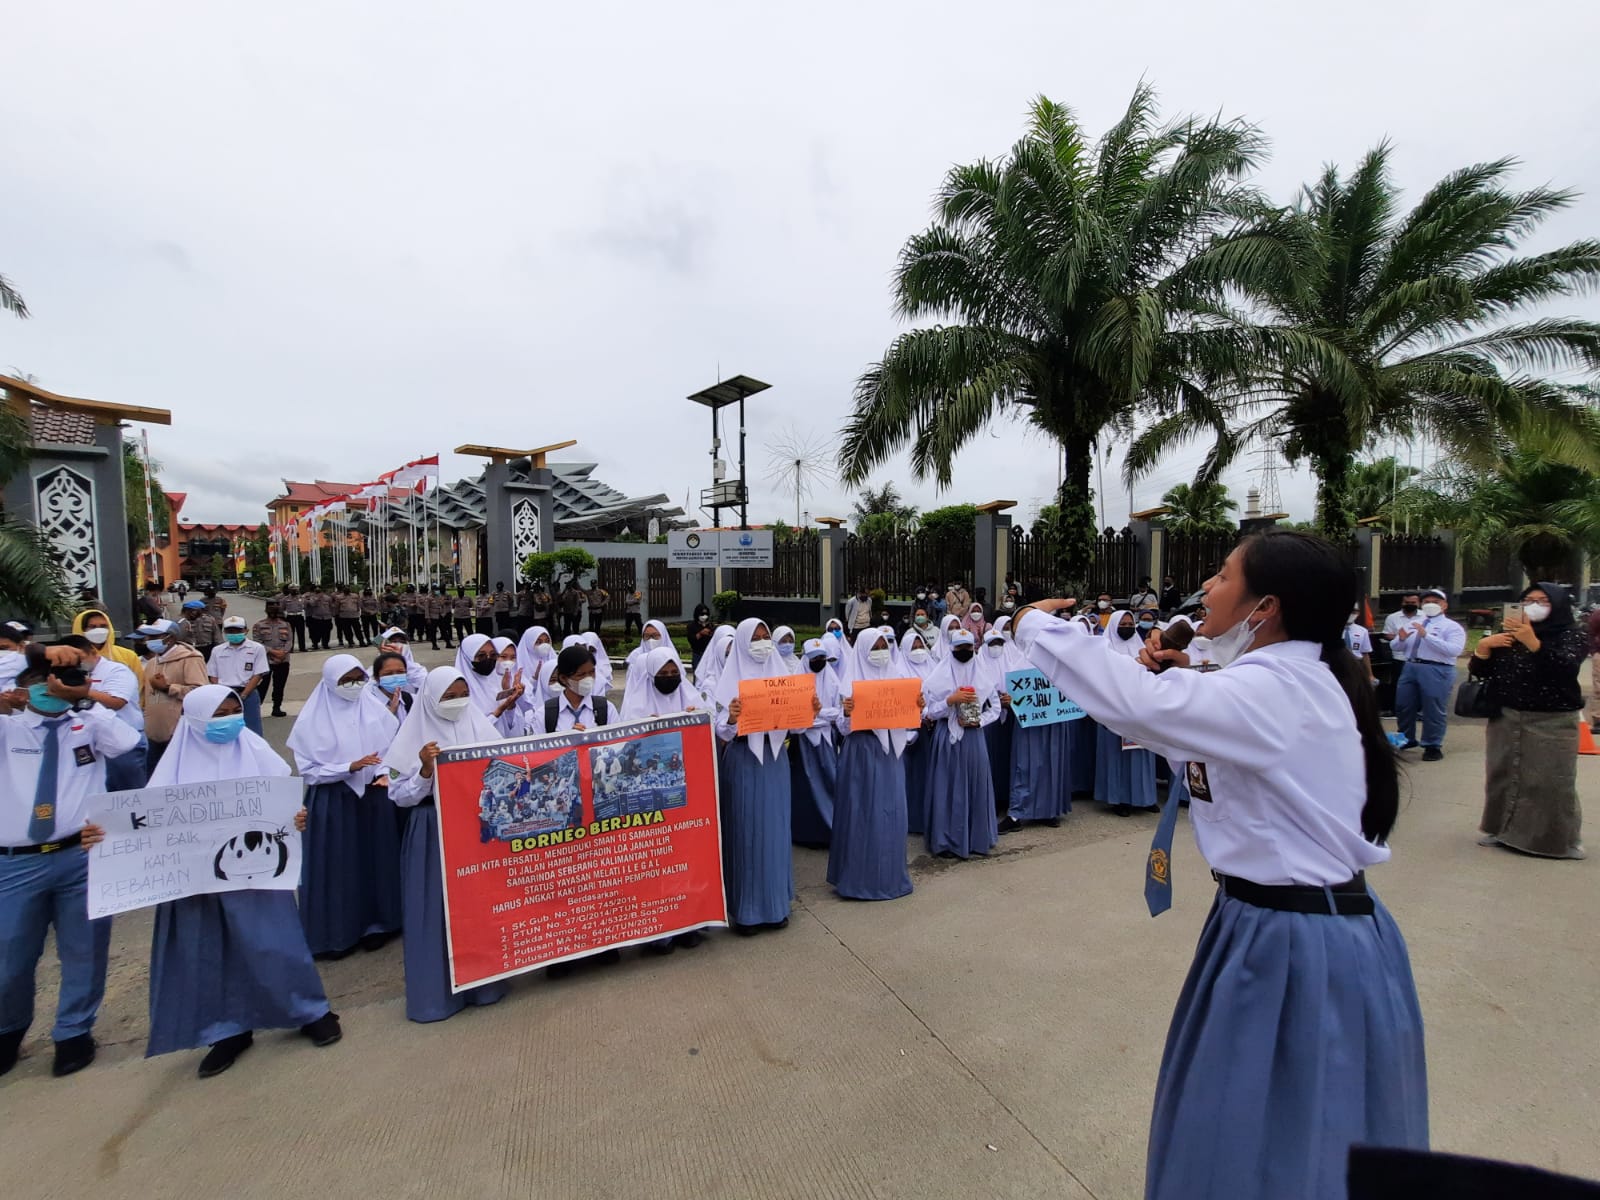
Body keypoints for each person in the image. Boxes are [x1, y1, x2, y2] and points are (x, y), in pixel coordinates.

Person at [1010, 530, 1426, 1200]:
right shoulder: (1274, 683)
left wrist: (1036, 628)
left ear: (1265, 608)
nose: (1207, 587)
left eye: (1225, 575)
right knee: (1242, 1136)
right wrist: (1177, 677)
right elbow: (1182, 736)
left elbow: (1137, 708)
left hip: (1299, 944)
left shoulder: (1277, 691)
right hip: (1270, 925)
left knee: (1279, 1146)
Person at [113, 686, 341, 1076]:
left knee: (276, 942)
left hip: (258, 873)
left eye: (235, 709)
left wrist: (294, 818)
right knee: (210, 950)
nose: (231, 718)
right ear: (197, 719)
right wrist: (103, 836)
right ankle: (228, 1030)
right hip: (199, 882)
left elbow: (280, 803)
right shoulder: (174, 768)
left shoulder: (252, 749)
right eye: (220, 713)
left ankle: (308, 1010)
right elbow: (145, 824)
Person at [0, 646, 140, 1078]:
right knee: (10, 956)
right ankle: (8, 1030)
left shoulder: (87, 727)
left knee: (84, 950)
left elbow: (127, 743)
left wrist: (84, 700)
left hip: (80, 855)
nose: (52, 691)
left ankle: (73, 1032)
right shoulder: (7, 729)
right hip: (16, 863)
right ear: (25, 686)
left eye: (62, 682)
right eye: (44, 682)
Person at [384, 667, 511, 1022]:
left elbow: (508, 765)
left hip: (475, 826)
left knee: (479, 904)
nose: (457, 704)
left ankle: (486, 985)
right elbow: (399, 796)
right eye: (448, 697)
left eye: (461, 695)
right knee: (434, 909)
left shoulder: (478, 726)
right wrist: (425, 771)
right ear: (430, 700)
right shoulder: (411, 739)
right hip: (432, 829)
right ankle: (435, 996)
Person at [289, 655, 405, 957]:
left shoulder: (376, 713)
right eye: (346, 680)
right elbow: (309, 769)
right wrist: (347, 767)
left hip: (374, 797)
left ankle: (380, 924)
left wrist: (384, 775)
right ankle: (336, 933)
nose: (353, 686)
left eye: (358, 679)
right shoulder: (312, 721)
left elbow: (393, 752)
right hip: (334, 800)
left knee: (377, 861)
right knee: (339, 864)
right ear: (330, 682)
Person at [715, 619, 820, 933]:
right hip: (744, 760)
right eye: (755, 639)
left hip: (775, 760)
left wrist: (810, 712)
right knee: (746, 831)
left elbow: (797, 727)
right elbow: (721, 730)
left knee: (774, 831)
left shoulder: (783, 678)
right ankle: (746, 911)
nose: (762, 643)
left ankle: (775, 906)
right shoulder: (729, 681)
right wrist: (732, 718)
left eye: (765, 638)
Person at [1471, 583, 1588, 859]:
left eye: (1542, 600)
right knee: (1504, 775)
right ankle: (1501, 830)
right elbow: (1483, 671)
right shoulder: (1508, 633)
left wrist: (1532, 641)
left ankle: (1562, 840)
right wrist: (1484, 647)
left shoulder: (1571, 635)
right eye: (1528, 600)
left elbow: (1565, 668)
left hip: (1553, 719)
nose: (1534, 605)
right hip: (1507, 716)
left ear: (1558, 605)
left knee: (1551, 781)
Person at [830, 631, 917, 900]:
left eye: (883, 646)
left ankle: (891, 877)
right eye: (874, 647)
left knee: (892, 812)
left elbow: (909, 723)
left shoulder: (898, 680)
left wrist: (917, 707)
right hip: (861, 753)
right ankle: (858, 880)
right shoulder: (849, 684)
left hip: (890, 753)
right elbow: (842, 728)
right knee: (862, 813)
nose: (880, 652)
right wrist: (847, 712)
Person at [919, 628, 999, 859]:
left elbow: (993, 707)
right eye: (959, 648)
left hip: (974, 739)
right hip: (946, 738)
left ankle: (976, 838)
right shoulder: (937, 678)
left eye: (968, 647)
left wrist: (979, 722)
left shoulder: (982, 674)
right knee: (947, 785)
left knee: (975, 784)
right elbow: (927, 713)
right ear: (951, 649)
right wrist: (950, 701)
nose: (964, 652)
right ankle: (945, 840)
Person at [992, 615, 1069, 832]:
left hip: (1054, 720)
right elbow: (1008, 688)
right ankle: (1017, 812)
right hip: (1027, 722)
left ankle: (1049, 810)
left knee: (1052, 763)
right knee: (1024, 765)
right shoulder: (1018, 659)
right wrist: (1008, 701)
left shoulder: (1058, 660)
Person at [63, 634, 148, 791]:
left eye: (80, 657)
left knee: (129, 796)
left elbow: (116, 702)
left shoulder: (116, 670)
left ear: (93, 652)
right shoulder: (68, 675)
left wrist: (78, 691)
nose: (77, 663)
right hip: (87, 741)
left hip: (124, 739)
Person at [1095, 611, 1159, 816]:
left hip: (1140, 710)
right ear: (1113, 625)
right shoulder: (1104, 650)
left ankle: (1145, 797)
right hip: (1114, 710)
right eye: (1122, 623)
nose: (1127, 626)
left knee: (1142, 752)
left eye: (1131, 623)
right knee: (1117, 756)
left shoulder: (1141, 647)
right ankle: (1120, 799)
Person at [1392, 587, 1466, 761]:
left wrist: (1427, 636)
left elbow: (1454, 650)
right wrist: (1400, 639)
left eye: (1435, 602)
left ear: (1445, 605)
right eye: (1426, 602)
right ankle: (1406, 738)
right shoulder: (1412, 623)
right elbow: (1396, 647)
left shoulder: (1451, 627)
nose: (1430, 605)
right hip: (1410, 666)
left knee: (1433, 708)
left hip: (1437, 668)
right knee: (1403, 705)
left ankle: (1432, 745)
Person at [139, 618, 211, 774]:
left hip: (180, 735)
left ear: (170, 638)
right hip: (153, 735)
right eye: (148, 637)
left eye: (153, 637)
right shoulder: (152, 663)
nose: (148, 641)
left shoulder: (190, 659)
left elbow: (201, 694)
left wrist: (168, 688)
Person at [789, 639, 840, 849]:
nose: (819, 661)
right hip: (802, 741)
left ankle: (831, 830)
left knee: (830, 782)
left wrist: (819, 714)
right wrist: (815, 718)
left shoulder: (833, 680)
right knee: (804, 788)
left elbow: (839, 712)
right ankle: (805, 833)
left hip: (826, 740)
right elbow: (792, 717)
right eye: (814, 658)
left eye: (822, 657)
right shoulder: (795, 681)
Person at [898, 627, 938, 836]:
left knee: (927, 777)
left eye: (919, 645)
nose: (917, 650)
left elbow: (939, 694)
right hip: (908, 733)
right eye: (912, 647)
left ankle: (927, 818)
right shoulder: (898, 672)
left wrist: (931, 713)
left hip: (930, 729)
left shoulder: (933, 667)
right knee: (909, 778)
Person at [208, 616, 269, 736]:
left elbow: (258, 674)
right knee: (226, 729)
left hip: (247, 693)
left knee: (252, 730)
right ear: (224, 632)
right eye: (230, 631)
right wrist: (221, 694)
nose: (234, 634)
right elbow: (213, 675)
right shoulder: (217, 650)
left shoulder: (257, 648)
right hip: (225, 694)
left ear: (246, 631)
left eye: (238, 631)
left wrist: (244, 695)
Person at [455, 634, 526, 735]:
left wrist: (510, 703)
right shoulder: (459, 691)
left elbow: (512, 728)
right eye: (481, 656)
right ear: (467, 659)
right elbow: (466, 733)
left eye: (493, 655)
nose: (488, 659)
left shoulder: (497, 683)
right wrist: (497, 713)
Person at [73, 608, 145, 684]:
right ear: (82, 630)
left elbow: (139, 685)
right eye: (92, 627)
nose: (99, 630)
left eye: (103, 626)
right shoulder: (72, 657)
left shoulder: (128, 656)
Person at [620, 620, 674, 718]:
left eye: (655, 636)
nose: (651, 640)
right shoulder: (637, 657)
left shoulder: (672, 655)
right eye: (647, 636)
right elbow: (632, 686)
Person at [253, 600, 294, 718]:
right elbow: (258, 643)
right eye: (270, 606)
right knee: (262, 685)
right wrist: (273, 652)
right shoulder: (259, 625)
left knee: (279, 685)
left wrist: (283, 653)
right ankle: (256, 708)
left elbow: (289, 641)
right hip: (265, 661)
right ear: (266, 609)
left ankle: (277, 707)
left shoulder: (286, 625)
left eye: (276, 605)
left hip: (283, 660)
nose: (273, 608)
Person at [1344, 605, 1378, 685]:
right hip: (1338, 663)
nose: (1351, 613)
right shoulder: (1332, 629)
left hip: (1357, 664)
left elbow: (1365, 653)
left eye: (1354, 611)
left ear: (1358, 613)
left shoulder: (1362, 631)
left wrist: (1370, 675)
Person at [184, 597, 221, 662]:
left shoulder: (210, 620)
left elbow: (217, 635)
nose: (193, 613)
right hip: (191, 650)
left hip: (207, 648)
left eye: (196, 610)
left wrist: (220, 649)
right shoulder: (183, 622)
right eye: (191, 610)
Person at [304, 585, 334, 652]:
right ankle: (315, 644)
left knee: (326, 632)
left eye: (319, 591)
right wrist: (317, 598)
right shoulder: (312, 598)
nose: (318, 592)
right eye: (317, 591)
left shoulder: (328, 598)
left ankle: (325, 644)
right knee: (316, 632)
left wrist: (332, 614)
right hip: (317, 618)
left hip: (327, 617)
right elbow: (312, 604)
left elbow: (331, 607)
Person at [281, 586, 308, 653]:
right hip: (290, 617)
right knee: (290, 634)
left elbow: (305, 606)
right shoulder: (285, 599)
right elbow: (282, 608)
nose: (294, 591)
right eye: (292, 590)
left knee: (301, 633)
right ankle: (290, 648)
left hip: (299, 616)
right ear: (289, 590)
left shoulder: (301, 598)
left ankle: (302, 647)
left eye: (295, 590)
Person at [1587, 603, 1600, 735]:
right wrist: (1594, 651)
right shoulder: (1598, 614)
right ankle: (1598, 720)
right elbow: (1590, 633)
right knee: (1599, 688)